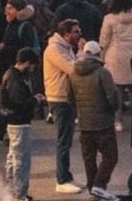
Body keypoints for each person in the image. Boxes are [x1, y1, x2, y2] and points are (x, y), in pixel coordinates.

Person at [69, 41, 121, 199]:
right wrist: (114, 110)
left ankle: (93, 187)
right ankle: (99, 185)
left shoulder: (73, 73)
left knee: (89, 158)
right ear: (98, 54)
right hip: (103, 122)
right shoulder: (102, 73)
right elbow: (112, 96)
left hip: (84, 124)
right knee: (111, 156)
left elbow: (70, 98)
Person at [44, 19, 83, 195]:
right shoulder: (54, 50)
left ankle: (66, 175)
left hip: (67, 99)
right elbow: (73, 69)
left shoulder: (66, 48)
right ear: (66, 34)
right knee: (63, 141)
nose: (79, 33)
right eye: (75, 31)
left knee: (66, 140)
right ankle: (61, 180)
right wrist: (83, 52)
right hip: (59, 99)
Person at [1, 47, 42, 201]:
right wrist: (35, 100)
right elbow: (19, 102)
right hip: (20, 122)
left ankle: (11, 189)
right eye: (31, 65)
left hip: (13, 122)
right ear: (26, 63)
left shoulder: (10, 75)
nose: (32, 69)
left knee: (13, 157)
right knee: (21, 160)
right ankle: (20, 194)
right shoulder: (16, 79)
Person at [100, 0, 132, 132]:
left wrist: (101, 58)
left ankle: (118, 121)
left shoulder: (109, 18)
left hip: (115, 55)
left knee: (116, 91)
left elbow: (104, 41)